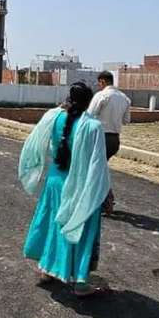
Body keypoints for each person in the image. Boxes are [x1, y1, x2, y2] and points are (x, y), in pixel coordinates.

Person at [19, 82, 110, 296]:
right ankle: (80, 283)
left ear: (69, 98)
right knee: (80, 230)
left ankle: (47, 270)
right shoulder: (93, 126)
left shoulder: (54, 117)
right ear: (89, 102)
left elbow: (36, 144)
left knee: (52, 225)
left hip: (55, 182)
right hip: (79, 187)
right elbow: (98, 165)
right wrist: (105, 192)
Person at [86, 71, 131, 214]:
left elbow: (89, 116)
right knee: (99, 169)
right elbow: (126, 120)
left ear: (102, 82)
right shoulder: (124, 98)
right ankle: (104, 200)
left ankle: (106, 200)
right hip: (115, 140)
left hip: (100, 137)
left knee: (94, 170)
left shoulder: (101, 96)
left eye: (99, 83)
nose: (98, 86)